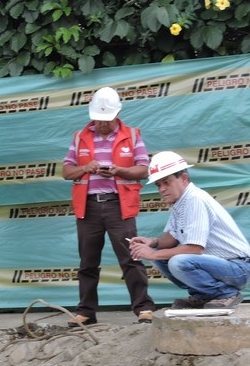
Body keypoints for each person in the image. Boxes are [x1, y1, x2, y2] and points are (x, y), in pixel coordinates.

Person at [62, 86, 156, 325]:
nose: (102, 124)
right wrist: (85, 168)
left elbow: (144, 169)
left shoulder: (132, 135)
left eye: (107, 119)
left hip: (119, 206)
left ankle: (143, 308)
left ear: (117, 114)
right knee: (88, 262)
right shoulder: (79, 137)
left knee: (130, 258)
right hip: (88, 207)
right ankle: (86, 312)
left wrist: (118, 170)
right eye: (98, 119)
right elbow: (66, 171)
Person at [129, 151, 250, 309]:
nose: (162, 189)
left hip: (239, 268)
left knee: (179, 261)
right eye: (159, 185)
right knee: (160, 254)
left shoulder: (195, 199)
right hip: (226, 266)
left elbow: (195, 249)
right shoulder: (182, 201)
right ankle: (203, 295)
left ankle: (226, 294)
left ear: (184, 179)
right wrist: (152, 243)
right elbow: (171, 237)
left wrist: (152, 253)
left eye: (167, 182)